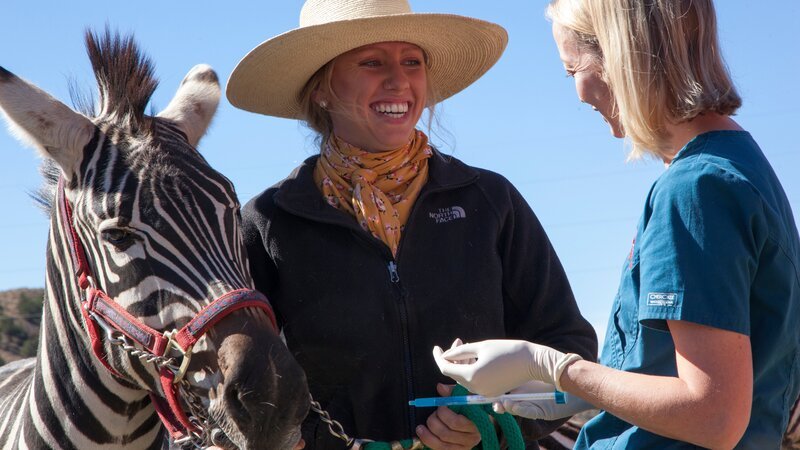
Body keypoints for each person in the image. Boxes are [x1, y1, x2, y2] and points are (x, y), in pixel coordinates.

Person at [225, 0, 597, 448]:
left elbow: (568, 346)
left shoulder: (490, 200)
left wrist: (494, 423)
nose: (399, 80)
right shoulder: (268, 222)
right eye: (372, 62)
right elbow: (241, 372)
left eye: (412, 62)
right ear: (321, 88)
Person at [433, 0, 800, 449]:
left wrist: (554, 367)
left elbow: (714, 416)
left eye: (573, 70)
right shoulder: (738, 165)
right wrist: (574, 391)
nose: (579, 94)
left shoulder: (695, 188)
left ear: (619, 55)